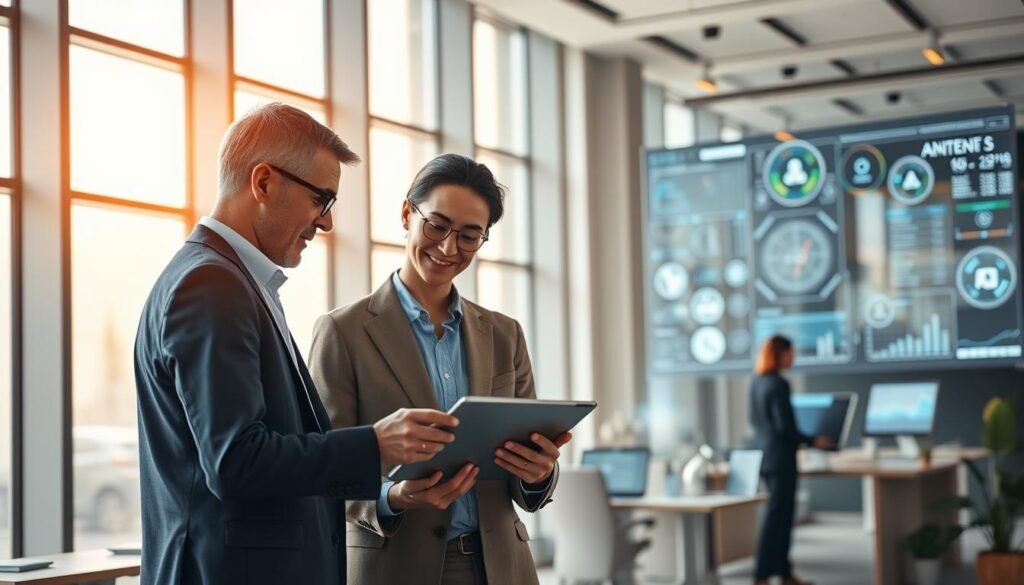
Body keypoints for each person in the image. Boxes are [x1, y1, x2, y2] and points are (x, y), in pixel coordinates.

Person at [134, 103, 458, 585]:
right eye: (321, 200)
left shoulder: (233, 280)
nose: (326, 224)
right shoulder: (211, 285)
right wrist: (375, 444)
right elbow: (236, 462)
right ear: (263, 182)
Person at [309, 153, 570, 585]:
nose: (450, 248)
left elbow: (526, 467)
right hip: (395, 567)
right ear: (407, 213)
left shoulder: (505, 335)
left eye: (470, 236)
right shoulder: (343, 332)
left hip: (502, 567)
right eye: (437, 226)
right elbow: (322, 468)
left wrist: (539, 473)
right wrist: (392, 497)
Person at [749, 335, 831, 585]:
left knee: (780, 518)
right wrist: (812, 441)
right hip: (781, 459)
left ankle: (784, 574)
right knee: (778, 521)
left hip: (764, 457)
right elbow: (785, 427)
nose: (793, 358)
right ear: (780, 354)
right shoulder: (779, 384)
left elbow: (755, 422)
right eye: (791, 353)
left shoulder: (757, 383)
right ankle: (762, 575)